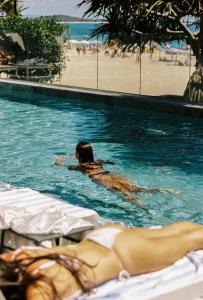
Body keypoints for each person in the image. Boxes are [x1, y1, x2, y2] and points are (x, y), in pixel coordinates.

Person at [1, 221, 203, 300]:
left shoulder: (38, 292)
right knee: (181, 230)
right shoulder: (19, 258)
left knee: (191, 239)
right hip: (103, 236)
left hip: (124, 255)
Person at [55, 142, 179, 207]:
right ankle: (165, 190)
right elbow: (112, 163)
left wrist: (59, 163)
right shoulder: (98, 161)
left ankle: (143, 207)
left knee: (124, 194)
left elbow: (66, 166)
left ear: (78, 155)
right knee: (136, 189)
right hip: (111, 174)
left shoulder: (80, 167)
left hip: (101, 178)